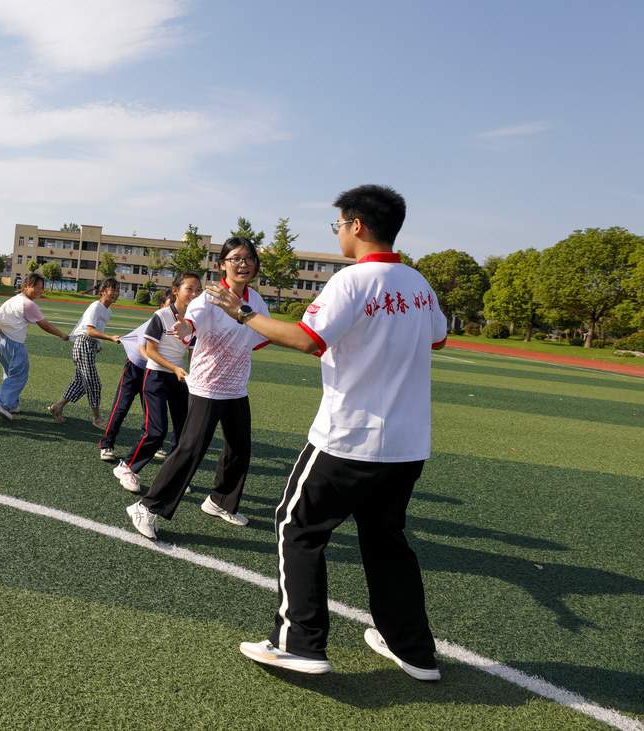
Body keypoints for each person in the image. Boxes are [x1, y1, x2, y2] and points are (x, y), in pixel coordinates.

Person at [230, 185, 448, 680]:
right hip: (406, 444)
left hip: (348, 437)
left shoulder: (350, 282)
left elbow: (309, 341)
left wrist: (243, 313)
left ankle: (300, 643)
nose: (338, 234)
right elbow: (438, 337)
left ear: (358, 226)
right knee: (386, 539)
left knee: (296, 525)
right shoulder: (418, 283)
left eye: (339, 225)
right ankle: (414, 651)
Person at [125, 237, 270, 538]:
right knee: (190, 449)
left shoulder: (255, 301)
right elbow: (193, 322)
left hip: (236, 387)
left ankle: (220, 501)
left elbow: (263, 333)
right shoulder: (209, 297)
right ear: (222, 265)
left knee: (240, 449)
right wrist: (186, 328)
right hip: (207, 386)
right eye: (236, 259)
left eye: (249, 259)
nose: (243, 264)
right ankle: (148, 507)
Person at [113, 272, 201, 492]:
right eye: (189, 288)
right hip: (157, 377)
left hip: (179, 378)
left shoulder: (195, 320)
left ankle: (173, 475)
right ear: (176, 290)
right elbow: (150, 351)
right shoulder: (161, 316)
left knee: (183, 430)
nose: (194, 293)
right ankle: (127, 467)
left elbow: (193, 352)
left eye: (198, 289)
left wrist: (195, 375)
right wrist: (174, 368)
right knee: (156, 430)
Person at [98, 288, 173, 462]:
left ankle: (155, 443)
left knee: (152, 410)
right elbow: (144, 349)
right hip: (136, 367)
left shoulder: (178, 323)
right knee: (121, 406)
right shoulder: (155, 321)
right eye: (171, 305)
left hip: (153, 370)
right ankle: (107, 443)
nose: (174, 309)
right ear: (162, 306)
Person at [0, 272, 69, 421]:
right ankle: (1, 402)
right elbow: (44, 325)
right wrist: (62, 334)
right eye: (35, 287)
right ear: (25, 286)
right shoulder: (29, 304)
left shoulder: (12, 301)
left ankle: (12, 404)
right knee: (19, 375)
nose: (39, 290)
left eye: (41, 287)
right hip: (15, 343)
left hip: (1, 341)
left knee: (10, 373)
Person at [47, 277, 121, 428]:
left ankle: (57, 407)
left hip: (90, 346)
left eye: (118, 290)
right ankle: (97, 419)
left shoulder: (108, 310)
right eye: (113, 289)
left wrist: (98, 344)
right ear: (103, 291)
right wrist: (109, 338)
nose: (116, 293)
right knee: (94, 383)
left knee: (81, 383)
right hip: (83, 344)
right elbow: (90, 330)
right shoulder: (95, 306)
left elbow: (96, 330)